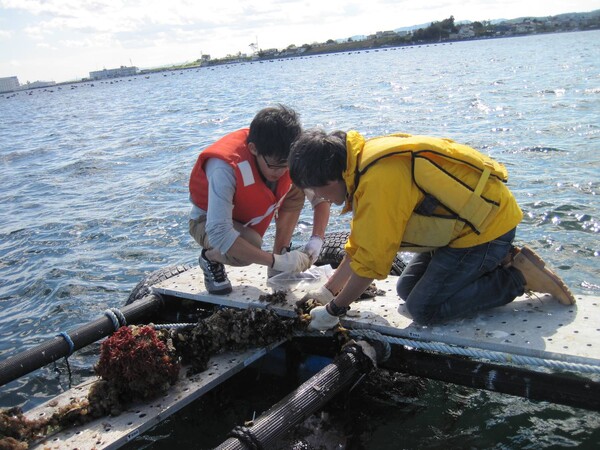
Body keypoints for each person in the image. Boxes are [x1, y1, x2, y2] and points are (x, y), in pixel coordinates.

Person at [288, 129, 575, 330]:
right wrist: (327, 292)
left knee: (425, 309)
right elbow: (361, 244)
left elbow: (370, 264)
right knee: (406, 289)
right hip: (459, 232)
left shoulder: (379, 182)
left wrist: (334, 310)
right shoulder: (360, 165)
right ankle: (493, 265)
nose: (321, 198)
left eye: (318, 190)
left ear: (331, 176)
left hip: (484, 231)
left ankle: (516, 278)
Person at [188, 105, 330, 294]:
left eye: (285, 165)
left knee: (296, 186)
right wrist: (275, 260)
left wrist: (316, 241)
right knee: (249, 248)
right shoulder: (224, 167)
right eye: (274, 165)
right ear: (253, 149)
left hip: (245, 218)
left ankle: (278, 266)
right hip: (207, 222)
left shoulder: (291, 154)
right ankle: (210, 258)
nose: (280, 173)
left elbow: (321, 196)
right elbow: (219, 232)